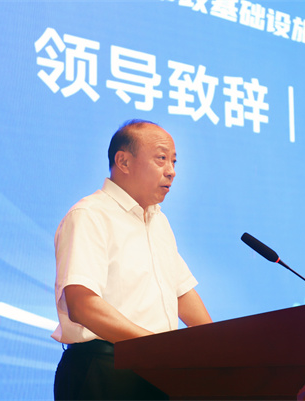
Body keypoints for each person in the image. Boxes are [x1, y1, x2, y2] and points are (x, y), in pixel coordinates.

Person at [52, 119, 212, 400]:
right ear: (123, 161)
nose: (171, 171)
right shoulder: (90, 215)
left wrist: (218, 347)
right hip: (104, 370)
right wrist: (157, 347)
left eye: (174, 161)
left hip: (157, 370)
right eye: (161, 159)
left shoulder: (158, 221)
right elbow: (81, 305)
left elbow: (181, 292)